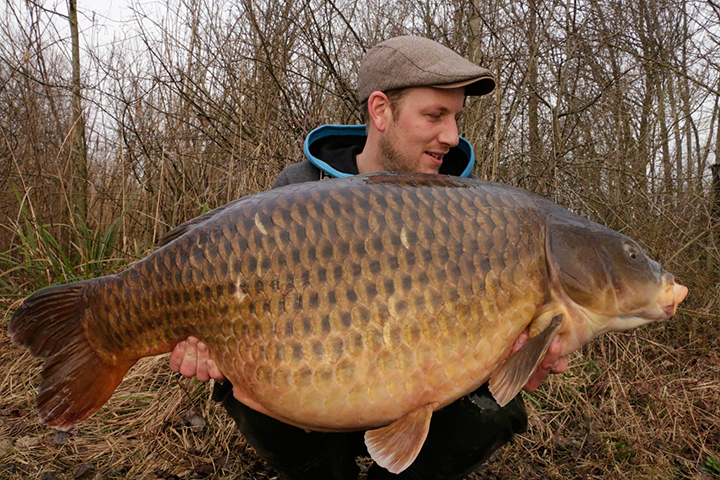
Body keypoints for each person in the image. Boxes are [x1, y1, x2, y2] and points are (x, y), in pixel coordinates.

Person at [169, 36, 568, 480]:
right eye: (435, 115)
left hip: (424, 383)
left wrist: (518, 357)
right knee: (236, 380)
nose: (452, 137)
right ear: (380, 111)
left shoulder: (473, 212)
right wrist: (213, 350)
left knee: (496, 408)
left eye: (456, 117)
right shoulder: (297, 193)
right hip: (315, 382)